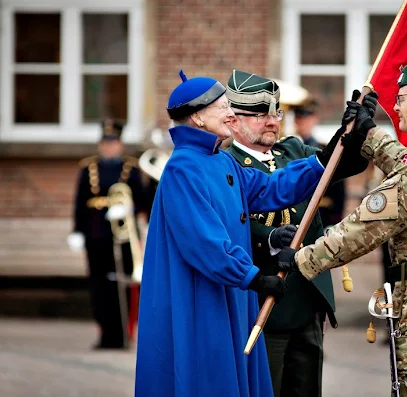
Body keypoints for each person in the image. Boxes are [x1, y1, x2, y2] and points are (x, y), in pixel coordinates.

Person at [134, 71, 360, 397]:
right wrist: (254, 278)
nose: (230, 114)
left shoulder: (223, 161)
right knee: (208, 380)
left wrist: (326, 156)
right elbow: (205, 245)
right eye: (223, 107)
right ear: (197, 117)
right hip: (201, 298)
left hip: (228, 293)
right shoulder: (182, 168)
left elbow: (273, 187)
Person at [277, 60, 407, 396]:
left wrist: (303, 258)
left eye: (402, 98)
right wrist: (369, 134)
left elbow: (370, 223)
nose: (396, 106)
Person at [224, 70, 370, 397]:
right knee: (266, 389)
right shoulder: (225, 164)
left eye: (275, 113)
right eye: (261, 115)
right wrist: (268, 237)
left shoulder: (294, 151)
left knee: (306, 390)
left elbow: (339, 164)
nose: (273, 121)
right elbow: (225, 227)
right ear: (233, 119)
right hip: (262, 300)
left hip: (306, 295)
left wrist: (355, 132)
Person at [67, 119, 146, 349]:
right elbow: (80, 203)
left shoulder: (130, 169)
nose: (109, 147)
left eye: (113, 143)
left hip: (122, 236)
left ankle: (123, 333)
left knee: (123, 285)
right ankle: (105, 334)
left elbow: (143, 201)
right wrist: (77, 231)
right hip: (96, 235)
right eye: (105, 142)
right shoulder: (88, 168)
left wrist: (128, 208)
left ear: (120, 144)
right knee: (99, 286)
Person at [294, 98, 347, 228]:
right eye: (299, 118)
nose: (302, 122)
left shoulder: (324, 149)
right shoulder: (289, 149)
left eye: (307, 118)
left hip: (322, 216)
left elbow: (338, 188)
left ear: (314, 119)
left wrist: (335, 219)